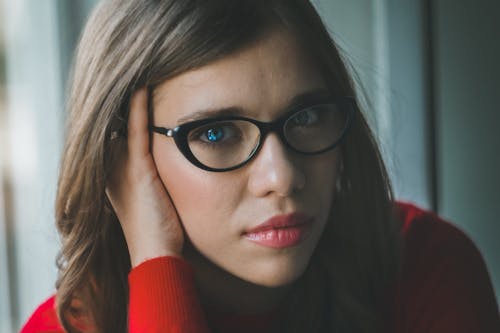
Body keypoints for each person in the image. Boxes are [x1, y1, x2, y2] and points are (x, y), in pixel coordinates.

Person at [20, 0, 500, 332]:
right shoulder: (67, 327)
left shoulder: (424, 266)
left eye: (307, 116)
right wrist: (156, 267)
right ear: (122, 160)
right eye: (215, 133)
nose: (282, 176)